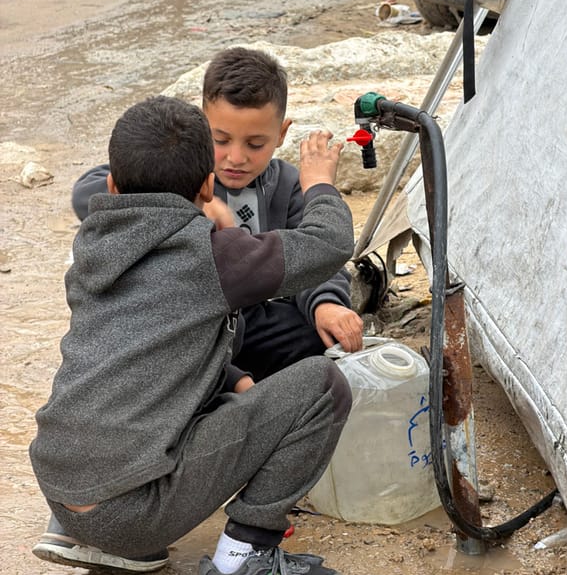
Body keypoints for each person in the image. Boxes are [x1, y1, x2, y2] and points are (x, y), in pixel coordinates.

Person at [30, 95, 355, 575]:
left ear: (112, 186)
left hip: (62, 492)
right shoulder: (211, 254)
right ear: (207, 187)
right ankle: (240, 569)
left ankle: (83, 535)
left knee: (163, 377)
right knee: (322, 383)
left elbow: (159, 350)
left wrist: (238, 383)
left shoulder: (92, 245)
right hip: (130, 512)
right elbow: (329, 242)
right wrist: (318, 180)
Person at [71, 47, 364, 381]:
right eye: (220, 140)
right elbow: (88, 191)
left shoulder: (287, 185)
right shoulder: (179, 175)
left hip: (250, 320)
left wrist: (326, 303)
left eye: (255, 144)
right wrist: (182, 205)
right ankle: (229, 382)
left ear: (281, 134)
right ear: (199, 126)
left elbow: (317, 258)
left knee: (315, 334)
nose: (235, 157)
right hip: (188, 322)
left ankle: (245, 386)